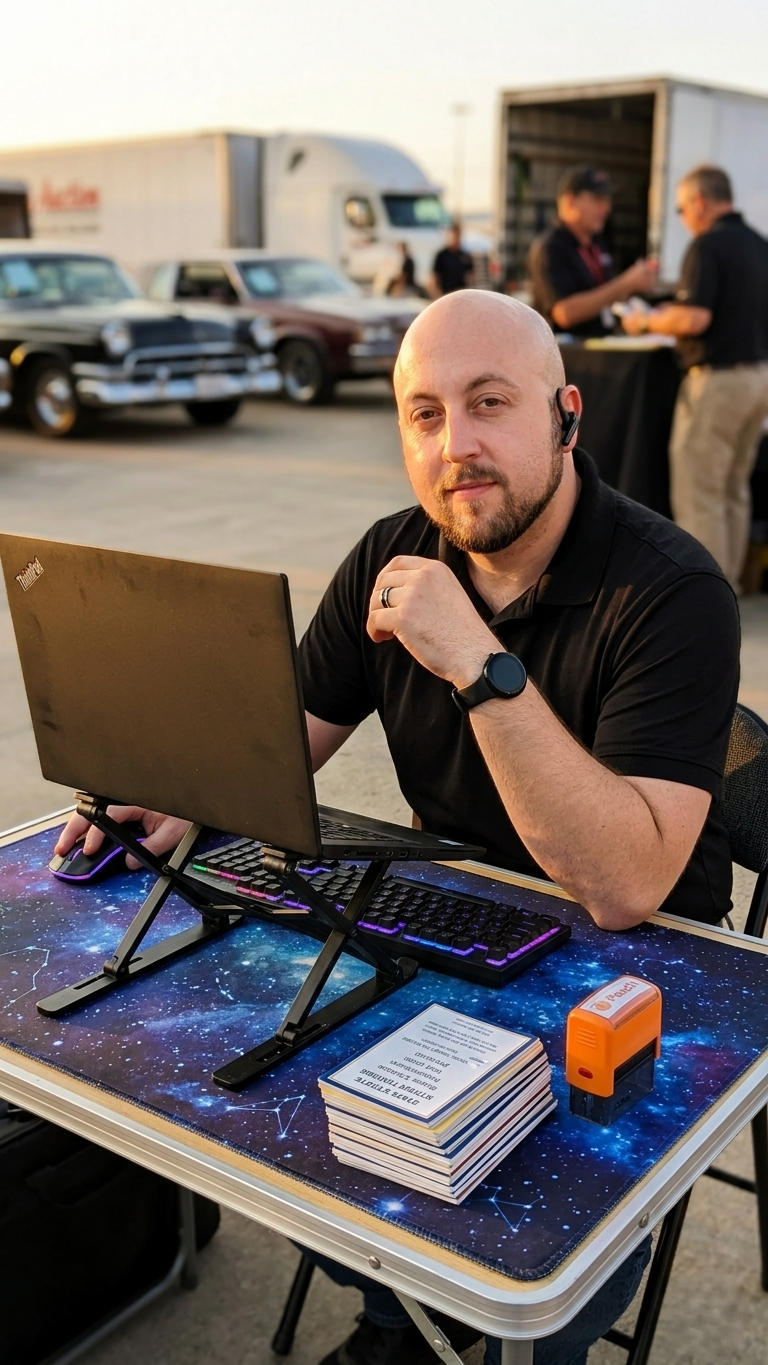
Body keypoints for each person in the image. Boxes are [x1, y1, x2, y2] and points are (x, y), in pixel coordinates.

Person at [56, 291, 739, 1365]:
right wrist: (182, 787)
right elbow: (279, 746)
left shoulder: (670, 591)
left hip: (636, 985)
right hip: (446, 945)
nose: (455, 445)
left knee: (547, 1279)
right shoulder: (396, 553)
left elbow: (624, 886)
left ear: (566, 417)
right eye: (424, 414)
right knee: (263, 1129)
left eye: (489, 404)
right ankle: (395, 1321)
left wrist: (477, 660)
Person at [622, 164, 768, 590]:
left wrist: (647, 322)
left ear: (701, 202)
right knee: (733, 488)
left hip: (717, 382)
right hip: (758, 378)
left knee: (700, 491)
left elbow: (696, 316)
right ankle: (731, 583)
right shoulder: (760, 245)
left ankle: (706, 596)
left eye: (683, 208)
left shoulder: (708, 246)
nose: (684, 217)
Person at [528, 165, 658, 337]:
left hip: (601, 344)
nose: (606, 209)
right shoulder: (550, 247)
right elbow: (565, 314)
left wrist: (636, 286)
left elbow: (606, 296)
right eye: (598, 200)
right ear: (570, 201)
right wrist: (626, 283)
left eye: (608, 200)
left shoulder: (598, 243)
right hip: (568, 355)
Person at [430, 222, 474, 297]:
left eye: (458, 236)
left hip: (461, 294)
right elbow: (434, 277)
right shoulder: (442, 255)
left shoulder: (464, 255)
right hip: (446, 294)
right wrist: (437, 295)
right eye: (454, 236)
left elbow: (471, 275)